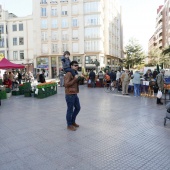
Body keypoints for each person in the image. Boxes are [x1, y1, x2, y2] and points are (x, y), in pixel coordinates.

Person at [64, 61, 81, 131]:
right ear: (71, 66)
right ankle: (69, 125)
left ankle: (73, 122)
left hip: (74, 93)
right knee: (70, 110)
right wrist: (75, 79)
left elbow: (75, 83)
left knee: (78, 108)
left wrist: (80, 79)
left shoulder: (75, 73)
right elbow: (66, 84)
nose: (76, 66)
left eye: (77, 65)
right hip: (69, 94)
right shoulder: (68, 73)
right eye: (75, 65)